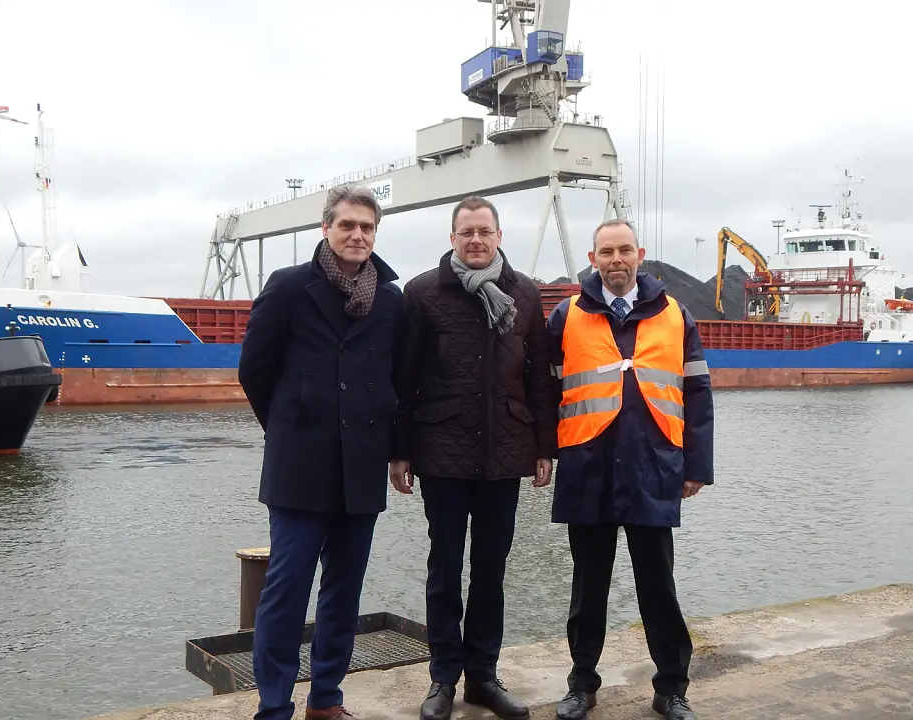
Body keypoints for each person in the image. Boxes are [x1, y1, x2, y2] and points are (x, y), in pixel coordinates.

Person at [238, 183, 403, 720]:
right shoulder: (289, 287)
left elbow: (396, 376)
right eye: (347, 225)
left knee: (344, 589)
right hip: (300, 465)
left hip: (362, 463)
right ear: (326, 228)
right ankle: (274, 706)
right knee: (287, 589)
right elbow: (254, 369)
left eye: (367, 227)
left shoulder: (390, 298)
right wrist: (289, 425)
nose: (357, 235)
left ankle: (326, 698)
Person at [389, 195, 558, 720]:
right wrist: (400, 451)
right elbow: (405, 379)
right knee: (444, 567)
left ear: (499, 236)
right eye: (467, 232)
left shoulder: (524, 293)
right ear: (452, 238)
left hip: (505, 451)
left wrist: (545, 447)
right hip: (441, 452)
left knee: (490, 570)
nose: (477, 240)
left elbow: (538, 376)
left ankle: (483, 676)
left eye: (485, 231)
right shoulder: (423, 293)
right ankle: (443, 677)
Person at [545, 219, 714, 720]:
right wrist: (544, 453)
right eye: (606, 252)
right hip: (588, 467)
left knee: (658, 586)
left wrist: (696, 465)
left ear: (639, 254)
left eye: (624, 250)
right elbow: (546, 390)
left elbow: (697, 392)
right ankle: (581, 684)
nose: (616, 259)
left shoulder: (675, 315)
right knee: (588, 588)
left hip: (652, 467)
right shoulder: (566, 315)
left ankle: (671, 688)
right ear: (593, 259)